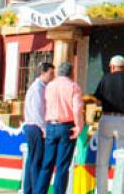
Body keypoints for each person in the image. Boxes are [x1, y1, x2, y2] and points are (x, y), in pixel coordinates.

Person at [35, 62, 84, 194]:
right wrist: (79, 126)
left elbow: (45, 104)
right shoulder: (74, 86)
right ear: (72, 73)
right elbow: (77, 109)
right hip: (66, 126)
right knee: (62, 166)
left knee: (47, 164)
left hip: (51, 125)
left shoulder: (49, 86)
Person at [93, 55, 124, 194]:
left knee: (102, 159)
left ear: (112, 67)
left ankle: (101, 190)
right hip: (123, 119)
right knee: (123, 156)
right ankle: (121, 190)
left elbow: (97, 101)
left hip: (106, 119)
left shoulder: (104, 78)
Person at [23, 62, 55, 194]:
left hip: (34, 126)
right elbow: (38, 111)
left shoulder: (42, 87)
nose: (52, 76)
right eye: (50, 73)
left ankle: (29, 189)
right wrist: (44, 129)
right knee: (36, 160)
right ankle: (36, 189)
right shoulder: (37, 88)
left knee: (32, 160)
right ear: (43, 73)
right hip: (35, 127)